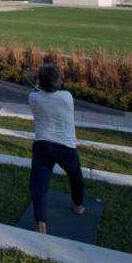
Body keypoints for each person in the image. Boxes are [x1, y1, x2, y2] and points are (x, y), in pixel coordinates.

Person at [28, 64, 85, 235]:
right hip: (66, 147)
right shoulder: (67, 97)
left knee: (39, 185)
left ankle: (41, 224)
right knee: (75, 177)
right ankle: (78, 206)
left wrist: (39, 86)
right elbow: (58, 90)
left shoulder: (33, 97)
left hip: (43, 145)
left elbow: (40, 93)